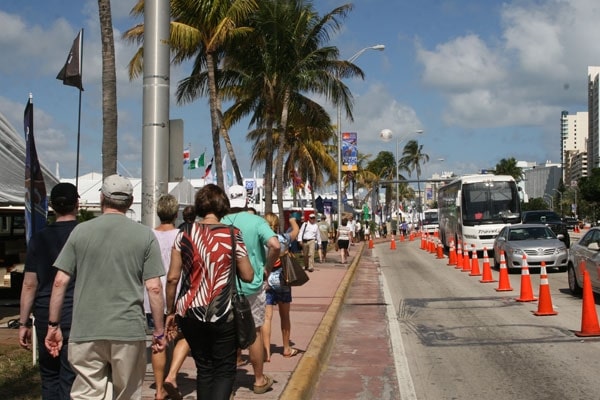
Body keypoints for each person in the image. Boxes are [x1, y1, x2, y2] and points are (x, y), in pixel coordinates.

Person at [44, 174, 167, 400]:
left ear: (102, 198)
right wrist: (158, 331)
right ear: (130, 202)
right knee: (127, 393)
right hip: (128, 329)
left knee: (87, 394)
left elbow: (60, 281)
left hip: (86, 329)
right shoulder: (144, 236)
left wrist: (53, 325)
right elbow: (154, 288)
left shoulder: (80, 232)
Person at [165, 184, 254, 400]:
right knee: (224, 370)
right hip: (223, 311)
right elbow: (248, 275)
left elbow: (173, 278)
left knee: (204, 369)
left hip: (190, 312)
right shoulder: (233, 235)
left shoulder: (184, 232)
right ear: (223, 206)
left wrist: (170, 311)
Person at [19, 183, 79, 399]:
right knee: (71, 377)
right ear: (77, 205)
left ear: (51, 206)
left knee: (49, 376)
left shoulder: (38, 238)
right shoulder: (83, 235)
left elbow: (29, 284)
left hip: (44, 314)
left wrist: (23, 322)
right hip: (76, 314)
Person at [221, 184, 280, 395]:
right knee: (253, 332)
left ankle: (225, 383)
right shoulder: (257, 221)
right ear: (246, 201)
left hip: (223, 287)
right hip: (251, 286)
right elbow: (275, 245)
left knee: (225, 334)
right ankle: (258, 380)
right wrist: (266, 268)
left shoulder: (219, 222)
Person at [146, 194, 190, 400]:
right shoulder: (182, 237)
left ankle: (159, 390)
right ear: (175, 213)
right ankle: (172, 375)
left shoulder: (148, 235)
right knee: (184, 336)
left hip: (151, 296)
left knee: (159, 339)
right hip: (178, 295)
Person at [262, 212, 300, 362]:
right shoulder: (283, 239)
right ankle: (286, 348)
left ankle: (266, 353)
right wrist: (292, 220)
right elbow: (296, 230)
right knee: (285, 316)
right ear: (277, 225)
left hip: (266, 280)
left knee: (266, 318)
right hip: (282, 280)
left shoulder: (262, 241)